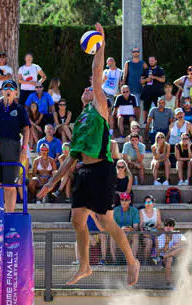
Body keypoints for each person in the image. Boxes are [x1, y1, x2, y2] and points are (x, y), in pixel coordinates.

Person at [38, 23, 140, 286]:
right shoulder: (81, 119)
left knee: (106, 221)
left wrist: (101, 45)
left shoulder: (100, 106)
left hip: (102, 169)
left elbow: (96, 74)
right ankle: (85, 266)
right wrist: (51, 182)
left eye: (90, 88)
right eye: (84, 90)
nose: (87, 89)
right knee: (77, 218)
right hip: (84, 170)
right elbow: (71, 158)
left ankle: (131, 260)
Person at [0, 79, 30, 213]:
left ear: (16, 92)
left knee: (10, 185)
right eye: (6, 88)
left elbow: (26, 129)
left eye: (11, 88)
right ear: (2, 91)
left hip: (12, 146)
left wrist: (24, 149)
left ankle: (9, 213)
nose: (8, 90)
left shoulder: (20, 109)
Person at [155, 218, 185, 287]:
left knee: (182, 254)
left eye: (170, 225)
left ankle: (183, 281)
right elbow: (159, 252)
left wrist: (173, 247)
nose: (168, 227)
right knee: (169, 259)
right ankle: (168, 282)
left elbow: (184, 242)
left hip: (177, 255)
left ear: (173, 227)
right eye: (166, 225)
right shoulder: (159, 238)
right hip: (165, 258)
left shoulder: (178, 233)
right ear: (164, 227)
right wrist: (166, 243)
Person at [112, 192, 141, 261]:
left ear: (130, 201)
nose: (124, 202)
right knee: (111, 235)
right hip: (118, 233)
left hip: (130, 233)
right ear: (120, 201)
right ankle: (114, 260)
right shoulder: (115, 210)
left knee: (136, 235)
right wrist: (120, 230)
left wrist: (131, 229)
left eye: (126, 200)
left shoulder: (134, 210)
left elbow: (136, 227)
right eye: (122, 200)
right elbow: (112, 225)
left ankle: (132, 259)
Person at [140, 55, 166, 121]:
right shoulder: (145, 70)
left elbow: (163, 80)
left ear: (155, 61)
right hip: (147, 92)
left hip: (157, 92)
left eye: (152, 60)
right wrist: (147, 80)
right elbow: (141, 81)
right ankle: (145, 124)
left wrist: (154, 77)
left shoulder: (160, 70)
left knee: (160, 108)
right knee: (146, 109)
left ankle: (160, 121)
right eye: (149, 61)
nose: (151, 62)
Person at [139, 195, 162, 264]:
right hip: (145, 235)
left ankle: (158, 260)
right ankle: (145, 261)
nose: (148, 204)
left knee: (157, 240)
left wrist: (154, 228)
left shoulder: (157, 211)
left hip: (155, 233)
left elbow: (159, 225)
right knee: (149, 242)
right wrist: (145, 233)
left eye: (149, 202)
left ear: (153, 203)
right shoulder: (141, 211)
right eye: (146, 202)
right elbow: (141, 226)